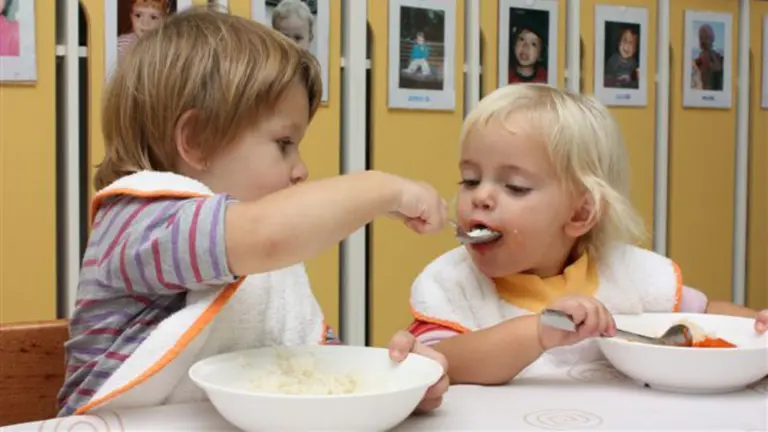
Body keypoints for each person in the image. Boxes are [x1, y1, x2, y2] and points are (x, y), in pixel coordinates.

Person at [58, 7, 449, 417]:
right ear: (196, 140)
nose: (302, 169)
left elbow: (311, 369)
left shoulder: (256, 258)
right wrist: (381, 187)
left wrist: (395, 385)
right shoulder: (137, 220)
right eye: (284, 143)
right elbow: (266, 235)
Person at [407, 83, 768, 384]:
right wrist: (536, 333)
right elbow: (437, 362)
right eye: (470, 180)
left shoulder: (625, 273)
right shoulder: (453, 284)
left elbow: (705, 316)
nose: (480, 196)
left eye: (514, 186)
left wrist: (756, 325)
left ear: (580, 212)